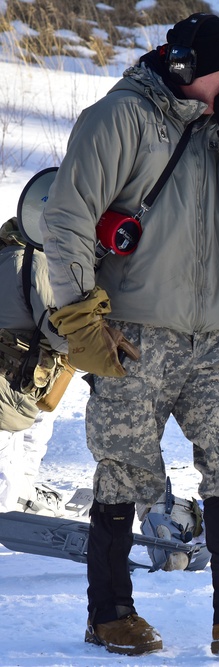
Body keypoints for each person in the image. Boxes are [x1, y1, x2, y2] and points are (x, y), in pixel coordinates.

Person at [39, 13, 219, 657]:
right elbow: (67, 215)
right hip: (132, 330)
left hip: (211, 333)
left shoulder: (214, 127)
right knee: (124, 468)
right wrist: (81, 314)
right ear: (187, 67)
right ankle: (109, 614)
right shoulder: (119, 118)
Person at [0, 218, 71, 516]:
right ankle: (9, 512)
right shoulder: (33, 261)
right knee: (6, 461)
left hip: (15, 376)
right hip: (11, 379)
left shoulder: (5, 255)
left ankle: (21, 498)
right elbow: (58, 334)